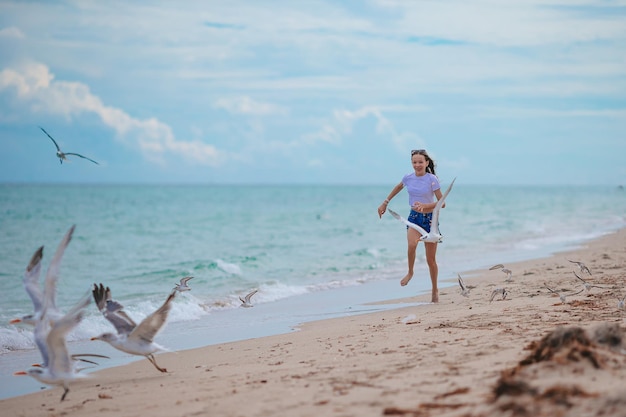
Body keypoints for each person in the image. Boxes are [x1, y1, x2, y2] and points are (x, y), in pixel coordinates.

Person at [377, 149, 445, 303]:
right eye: (414, 162)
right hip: (414, 218)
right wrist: (385, 203)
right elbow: (398, 187)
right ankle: (410, 272)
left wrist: (426, 205)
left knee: (431, 260)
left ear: (426, 163)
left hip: (429, 220)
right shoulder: (408, 178)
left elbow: (442, 203)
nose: (417, 165)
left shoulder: (432, 179)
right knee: (411, 244)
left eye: (420, 162)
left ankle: (434, 290)